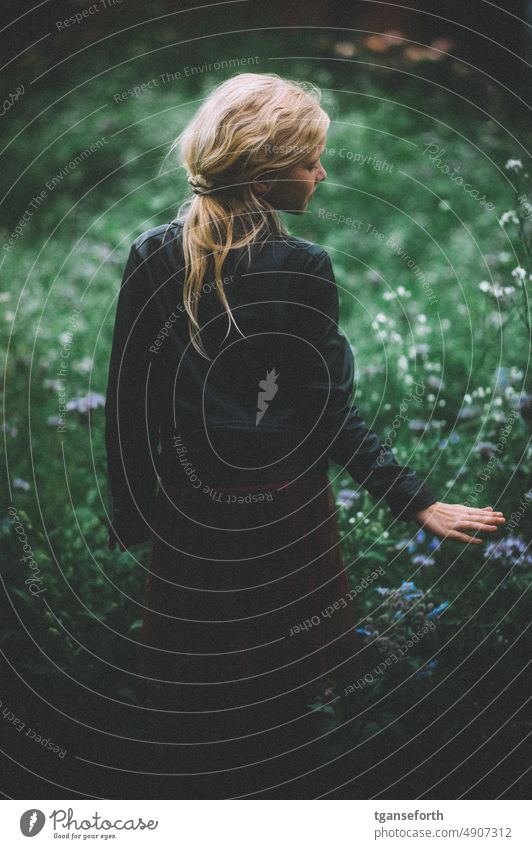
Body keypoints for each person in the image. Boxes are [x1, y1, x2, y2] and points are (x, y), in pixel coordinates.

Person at [104, 73, 505, 779]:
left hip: (191, 513)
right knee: (284, 704)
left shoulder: (152, 252)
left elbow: (129, 404)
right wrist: (413, 501)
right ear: (265, 171)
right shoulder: (302, 266)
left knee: (195, 699)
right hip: (286, 511)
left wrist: (137, 515)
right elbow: (327, 413)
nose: (322, 171)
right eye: (309, 158)